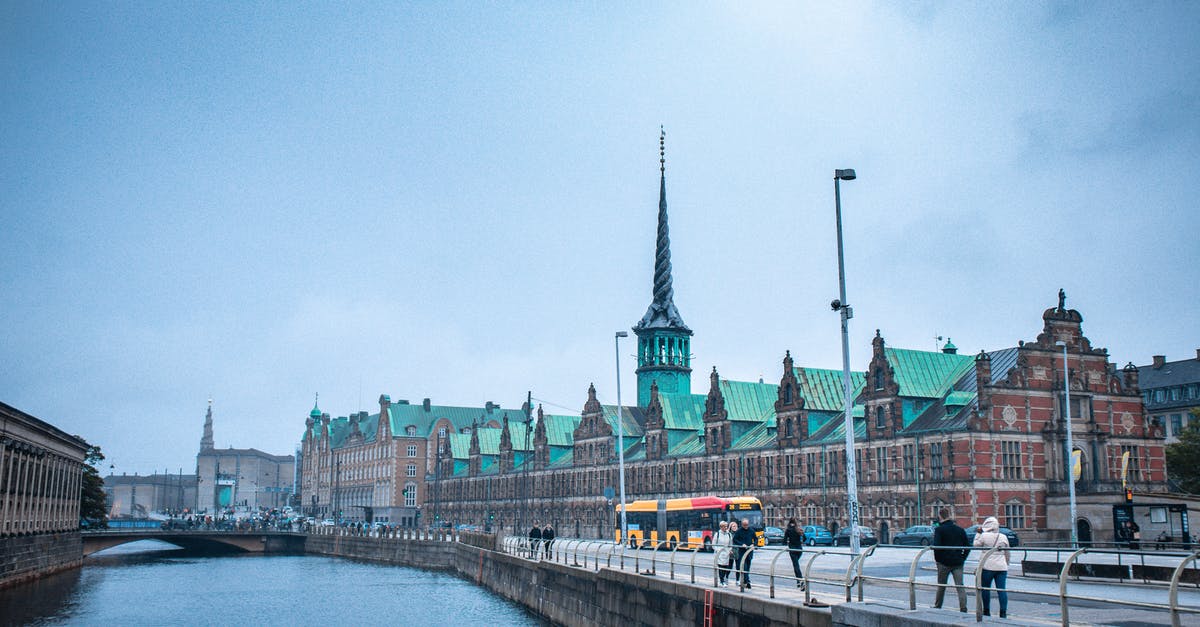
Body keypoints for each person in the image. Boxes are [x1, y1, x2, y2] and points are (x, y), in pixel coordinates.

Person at [932, 507, 969, 613]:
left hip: (943, 562)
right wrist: (963, 558)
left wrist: (938, 560)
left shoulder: (939, 530)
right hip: (958, 562)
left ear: (940, 516)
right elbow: (967, 546)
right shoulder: (960, 529)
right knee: (960, 586)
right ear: (949, 516)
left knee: (941, 586)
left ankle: (938, 606)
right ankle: (963, 607)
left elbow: (937, 547)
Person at [973, 516, 1010, 618]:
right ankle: (1003, 612)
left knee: (985, 589)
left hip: (987, 566)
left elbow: (975, 545)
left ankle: (986, 611)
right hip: (1001, 567)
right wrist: (1007, 563)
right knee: (1002, 590)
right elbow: (1007, 552)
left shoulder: (984, 536)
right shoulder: (1003, 536)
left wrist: (978, 533)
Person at [732, 518, 757, 589]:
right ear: (742, 524)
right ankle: (747, 581)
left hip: (749, 551)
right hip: (742, 551)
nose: (746, 526)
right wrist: (741, 544)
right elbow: (735, 539)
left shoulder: (751, 530)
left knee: (748, 566)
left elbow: (756, 539)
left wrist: (753, 544)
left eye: (747, 525)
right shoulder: (739, 531)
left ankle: (746, 580)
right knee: (744, 566)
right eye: (744, 525)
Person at [784, 518, 807, 590]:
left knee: (796, 566)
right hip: (799, 549)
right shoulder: (798, 529)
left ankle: (800, 581)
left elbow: (784, 541)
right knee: (796, 565)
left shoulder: (788, 530)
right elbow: (805, 538)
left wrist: (788, 542)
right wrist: (801, 541)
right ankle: (798, 582)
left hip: (792, 549)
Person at [713, 521, 734, 587]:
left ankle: (723, 579)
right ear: (721, 527)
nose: (726, 527)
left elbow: (731, 544)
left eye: (726, 526)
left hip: (726, 553)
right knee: (721, 567)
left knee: (725, 567)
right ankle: (722, 581)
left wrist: (729, 550)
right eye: (724, 526)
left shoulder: (729, 534)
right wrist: (718, 550)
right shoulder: (717, 534)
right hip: (719, 553)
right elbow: (713, 544)